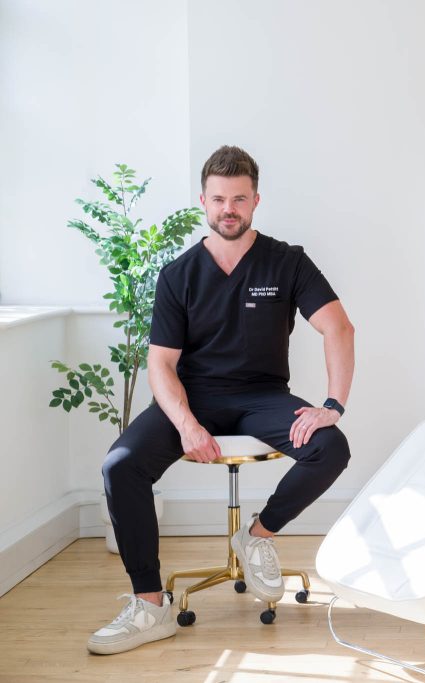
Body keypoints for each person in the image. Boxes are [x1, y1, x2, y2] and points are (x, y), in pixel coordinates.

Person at [88, 146, 355, 655]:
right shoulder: (179, 274)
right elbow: (161, 364)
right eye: (218, 199)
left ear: (255, 200)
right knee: (120, 465)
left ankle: (258, 534)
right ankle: (150, 604)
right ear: (203, 202)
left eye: (238, 198)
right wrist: (186, 423)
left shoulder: (287, 261)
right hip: (194, 398)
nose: (227, 208)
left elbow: (338, 328)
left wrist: (332, 405)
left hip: (262, 398)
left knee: (331, 446)